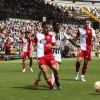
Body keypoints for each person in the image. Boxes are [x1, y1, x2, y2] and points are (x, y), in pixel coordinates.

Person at [33, 21, 79, 86]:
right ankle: (38, 79)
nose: (58, 27)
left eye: (59, 25)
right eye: (56, 26)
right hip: (49, 53)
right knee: (42, 69)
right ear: (53, 27)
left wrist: (76, 45)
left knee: (55, 68)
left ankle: (52, 83)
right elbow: (42, 41)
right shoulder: (50, 33)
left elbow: (70, 39)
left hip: (57, 54)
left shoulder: (63, 34)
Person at [30, 21, 61, 90]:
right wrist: (30, 53)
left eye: (49, 27)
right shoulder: (37, 35)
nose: (48, 29)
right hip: (41, 57)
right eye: (46, 27)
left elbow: (56, 46)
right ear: (42, 27)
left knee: (55, 68)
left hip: (50, 56)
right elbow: (33, 45)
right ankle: (51, 86)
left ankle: (57, 81)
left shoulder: (51, 35)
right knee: (44, 69)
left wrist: (52, 46)